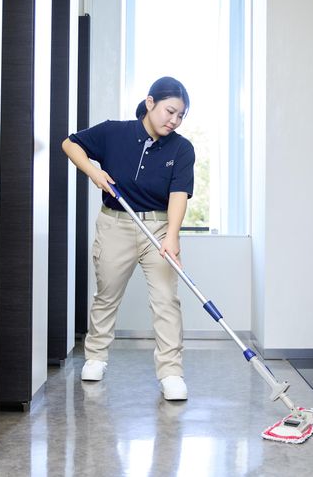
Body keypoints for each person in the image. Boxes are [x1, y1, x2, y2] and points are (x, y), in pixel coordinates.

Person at [62, 76, 195, 401]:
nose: (174, 120)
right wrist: (93, 172)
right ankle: (96, 356)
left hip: (158, 228)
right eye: (170, 111)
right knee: (106, 294)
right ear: (150, 103)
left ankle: (171, 373)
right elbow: (69, 144)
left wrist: (172, 236)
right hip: (115, 224)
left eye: (180, 116)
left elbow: (178, 194)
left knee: (166, 299)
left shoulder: (181, 148)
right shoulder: (114, 132)